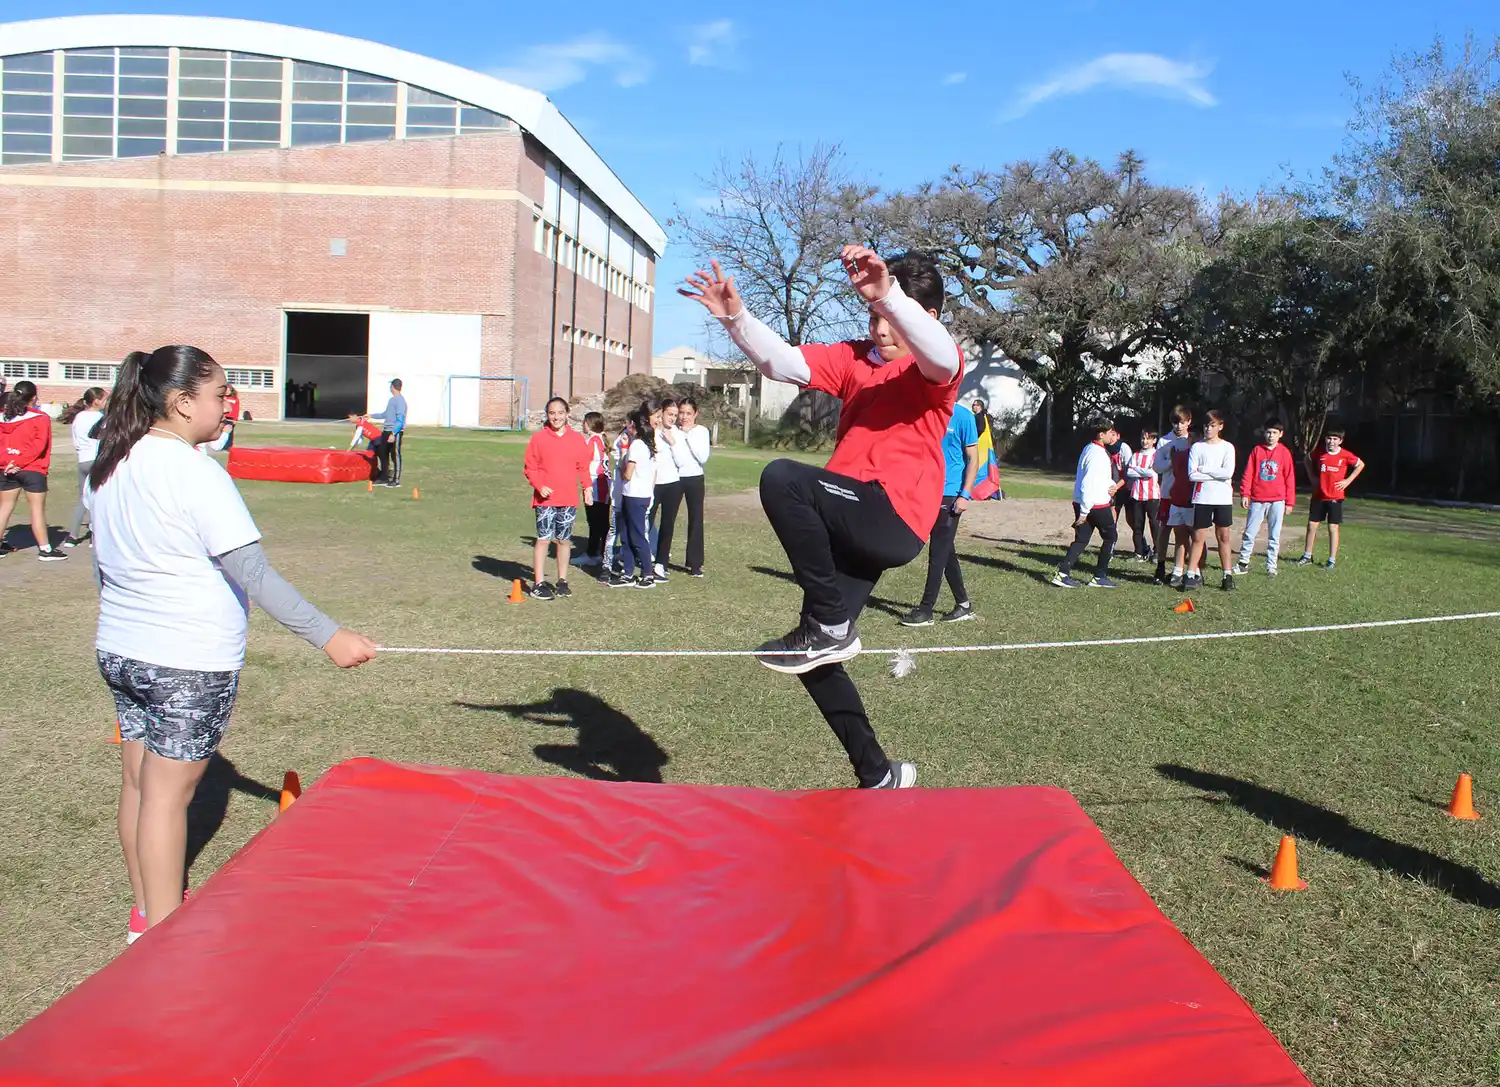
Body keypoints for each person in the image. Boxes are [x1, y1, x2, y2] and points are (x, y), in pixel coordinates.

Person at [84, 346, 375, 944]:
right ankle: (162, 937)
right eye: (219, 394)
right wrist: (330, 636)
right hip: (186, 659)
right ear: (180, 400)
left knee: (140, 784)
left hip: (122, 650)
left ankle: (146, 911)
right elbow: (255, 574)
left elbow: (103, 565)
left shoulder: (110, 464)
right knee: (166, 798)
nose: (227, 406)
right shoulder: (196, 473)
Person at [682, 246, 963, 790]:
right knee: (812, 657)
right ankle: (878, 772)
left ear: (922, 314)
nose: (880, 327)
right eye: (873, 315)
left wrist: (892, 296)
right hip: (850, 518)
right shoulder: (856, 359)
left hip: (891, 517)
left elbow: (944, 358)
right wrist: (735, 319)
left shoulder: (932, 368)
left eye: (890, 315)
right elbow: (783, 363)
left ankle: (830, 625)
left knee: (784, 477)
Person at [900, 397, 978, 624]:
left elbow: (974, 458)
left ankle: (926, 610)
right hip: (927, 491)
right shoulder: (926, 410)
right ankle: (963, 604)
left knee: (937, 551)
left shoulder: (964, 416)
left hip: (951, 492)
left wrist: (965, 494)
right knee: (946, 551)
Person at [522, 396, 592, 600]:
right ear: (547, 415)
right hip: (545, 500)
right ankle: (539, 582)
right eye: (552, 413)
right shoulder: (538, 439)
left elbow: (583, 467)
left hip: (568, 498)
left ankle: (562, 580)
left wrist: (587, 488)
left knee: (563, 540)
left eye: (560, 413)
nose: (556, 417)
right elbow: (530, 468)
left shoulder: (577, 439)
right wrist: (539, 485)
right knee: (544, 539)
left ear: (567, 414)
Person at [1050, 418, 1123, 588]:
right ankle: (1100, 576)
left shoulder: (1090, 448)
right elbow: (1088, 483)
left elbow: (1099, 477)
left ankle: (1062, 574)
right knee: (1111, 536)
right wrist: (1084, 512)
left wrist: (1111, 485)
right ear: (1101, 434)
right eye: (1109, 432)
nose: (1112, 434)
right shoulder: (1097, 454)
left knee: (1082, 539)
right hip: (1095, 504)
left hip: (1085, 502)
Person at [0, 380, 67, 561]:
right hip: (32, 469)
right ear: (34, 397)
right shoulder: (40, 417)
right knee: (36, 510)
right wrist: (19, 462)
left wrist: (8, 462)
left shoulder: (4, 417)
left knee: (4, 508)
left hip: (7, 468)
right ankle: (45, 550)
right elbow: (39, 445)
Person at [1234, 419, 1296, 577]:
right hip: (1258, 499)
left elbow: (1289, 477)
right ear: (1264, 433)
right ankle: (1243, 563)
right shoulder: (1257, 451)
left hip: (1277, 500)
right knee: (1250, 532)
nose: (1271, 435)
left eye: (1275, 433)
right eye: (1268, 432)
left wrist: (1290, 502)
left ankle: (1271, 566)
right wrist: (1245, 494)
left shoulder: (1284, 453)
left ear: (1280, 434)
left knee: (1274, 535)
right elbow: (1249, 473)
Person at [1297, 429, 1365, 569]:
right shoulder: (1320, 453)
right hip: (1318, 495)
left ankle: (1331, 560)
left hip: (1335, 497)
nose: (1331, 442)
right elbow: (1307, 459)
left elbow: (1360, 465)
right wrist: (1312, 477)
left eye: (1335, 439)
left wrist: (1347, 481)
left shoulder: (1345, 455)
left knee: (1332, 528)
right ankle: (1307, 556)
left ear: (1340, 441)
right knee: (1312, 525)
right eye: (1329, 438)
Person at [1186, 409, 1238, 592]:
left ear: (1220, 427)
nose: (1208, 428)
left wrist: (1206, 469)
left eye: (1213, 425)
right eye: (1206, 425)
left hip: (1222, 499)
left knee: (1223, 537)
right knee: (1198, 537)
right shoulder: (1197, 447)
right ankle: (1191, 574)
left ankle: (1227, 575)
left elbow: (1227, 473)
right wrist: (1215, 473)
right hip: (1202, 498)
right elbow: (1192, 475)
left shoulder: (1227, 447)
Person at [610, 404, 657, 588]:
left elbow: (628, 473)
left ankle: (647, 574)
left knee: (637, 536)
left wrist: (621, 463)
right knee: (627, 536)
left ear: (633, 426)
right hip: (632, 495)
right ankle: (627, 573)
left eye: (628, 423)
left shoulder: (637, 444)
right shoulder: (644, 444)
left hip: (636, 496)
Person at [1153, 408, 1197, 588]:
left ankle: (1189, 569)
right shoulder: (1164, 441)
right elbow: (1157, 467)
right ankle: (1160, 566)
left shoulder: (1193, 441)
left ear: (1189, 422)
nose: (1178, 426)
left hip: (1187, 493)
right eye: (1175, 422)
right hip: (1168, 493)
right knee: (1165, 529)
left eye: (1182, 422)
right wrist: (1174, 461)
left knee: (1189, 532)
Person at [59, 387, 108, 548]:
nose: (106, 402)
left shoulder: (78, 417)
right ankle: (95, 536)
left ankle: (72, 536)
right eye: (104, 399)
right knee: (99, 498)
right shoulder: (101, 418)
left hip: (83, 460)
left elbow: (76, 440)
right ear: (96, 401)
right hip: (97, 459)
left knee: (82, 497)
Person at [673, 397, 712, 577]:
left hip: (694, 478)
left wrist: (687, 436)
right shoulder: (672, 430)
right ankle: (659, 559)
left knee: (696, 519)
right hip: (673, 478)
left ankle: (695, 563)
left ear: (695, 414)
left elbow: (702, 457)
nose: (684, 417)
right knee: (668, 519)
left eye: (688, 413)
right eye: (681, 412)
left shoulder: (701, 431)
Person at [648, 397, 683, 580]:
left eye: (675, 416)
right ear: (660, 413)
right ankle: (643, 556)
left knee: (667, 524)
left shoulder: (676, 433)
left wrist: (673, 443)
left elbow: (682, 462)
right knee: (646, 521)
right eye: (670, 414)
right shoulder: (651, 432)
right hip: (652, 485)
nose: (673, 418)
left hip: (672, 484)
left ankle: (661, 563)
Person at [356, 379, 407, 486]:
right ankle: (384, 477)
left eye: (391, 386)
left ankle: (396, 480)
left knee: (395, 455)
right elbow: (385, 415)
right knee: (383, 453)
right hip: (386, 431)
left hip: (395, 432)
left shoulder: (401, 401)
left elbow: (400, 420)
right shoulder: (392, 400)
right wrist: (371, 415)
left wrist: (393, 433)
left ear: (393, 387)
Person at [1124, 429, 1161, 561]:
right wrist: (1143, 471)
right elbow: (1129, 472)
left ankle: (1157, 552)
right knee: (1137, 525)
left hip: (1153, 496)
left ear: (1154, 440)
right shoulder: (1136, 455)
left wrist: (1138, 470)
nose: (1144, 441)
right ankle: (1139, 553)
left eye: (1148, 438)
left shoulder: (1157, 455)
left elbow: (1152, 473)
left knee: (1155, 525)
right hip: (1137, 495)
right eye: (1143, 438)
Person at [581, 411, 611, 567]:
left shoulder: (592, 441)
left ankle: (593, 553)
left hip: (595, 486)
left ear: (588, 423)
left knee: (594, 522)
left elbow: (583, 463)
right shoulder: (603, 439)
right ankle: (605, 552)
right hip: (605, 486)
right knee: (603, 523)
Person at [969, 399, 1003, 500]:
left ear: (979, 406)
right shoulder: (984, 416)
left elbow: (980, 429)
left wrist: (972, 437)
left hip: (980, 448)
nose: (973, 407)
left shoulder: (980, 417)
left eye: (974, 405)